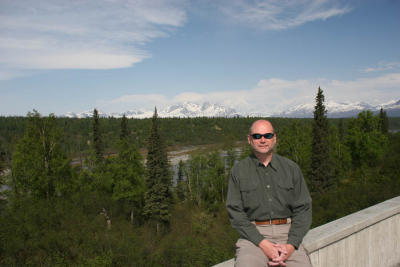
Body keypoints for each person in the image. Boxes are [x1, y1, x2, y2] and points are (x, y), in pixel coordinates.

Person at [226, 120, 312, 267]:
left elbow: (303, 209)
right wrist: (263, 243)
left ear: (274, 138)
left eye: (267, 135)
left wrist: (291, 246)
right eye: (257, 136)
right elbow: (235, 212)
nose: (263, 140)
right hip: (253, 237)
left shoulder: (291, 168)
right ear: (249, 139)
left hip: (289, 233)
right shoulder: (239, 171)